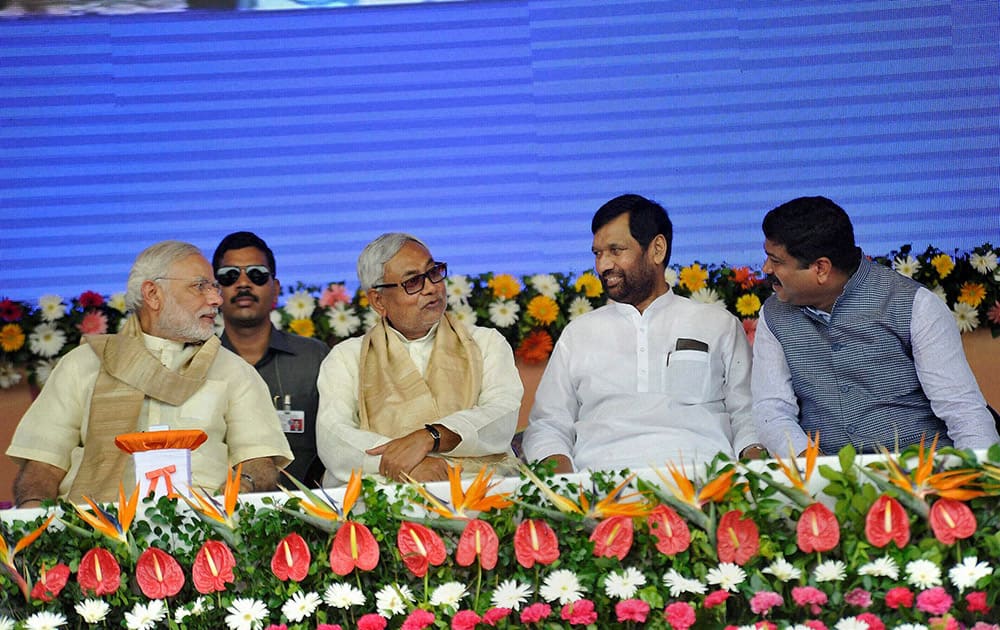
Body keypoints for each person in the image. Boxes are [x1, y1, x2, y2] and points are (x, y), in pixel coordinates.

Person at [7, 241, 293, 506]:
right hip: (94, 531)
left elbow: (259, 462)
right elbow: (42, 466)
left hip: (208, 531)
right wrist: (36, 528)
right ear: (153, 294)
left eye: (214, 287)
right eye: (199, 286)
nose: (216, 299)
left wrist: (231, 497)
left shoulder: (233, 371)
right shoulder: (84, 365)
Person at [522, 194, 764, 473]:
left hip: (706, 484)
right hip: (600, 490)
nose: (603, 265)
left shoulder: (717, 324)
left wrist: (755, 481)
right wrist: (564, 491)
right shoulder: (579, 333)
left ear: (657, 249)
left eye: (616, 250)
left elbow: (749, 417)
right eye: (598, 253)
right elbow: (548, 425)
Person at [752, 196, 999, 456]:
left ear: (821, 268)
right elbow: (772, 409)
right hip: (828, 478)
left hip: (921, 473)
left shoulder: (914, 305)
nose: (765, 268)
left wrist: (983, 481)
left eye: (776, 261)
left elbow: (961, 409)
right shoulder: (774, 315)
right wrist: (814, 468)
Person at [316, 233, 522, 485]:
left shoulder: (485, 342)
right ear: (378, 301)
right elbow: (333, 435)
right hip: (386, 489)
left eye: (434, 272)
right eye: (413, 282)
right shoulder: (346, 358)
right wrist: (407, 464)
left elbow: (502, 412)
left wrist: (431, 437)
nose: (432, 287)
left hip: (476, 487)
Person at [213, 231, 329, 486]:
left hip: (310, 513)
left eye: (257, 274)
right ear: (215, 291)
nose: (243, 284)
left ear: (275, 289)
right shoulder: (200, 364)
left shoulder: (313, 358)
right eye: (229, 276)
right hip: (223, 514)